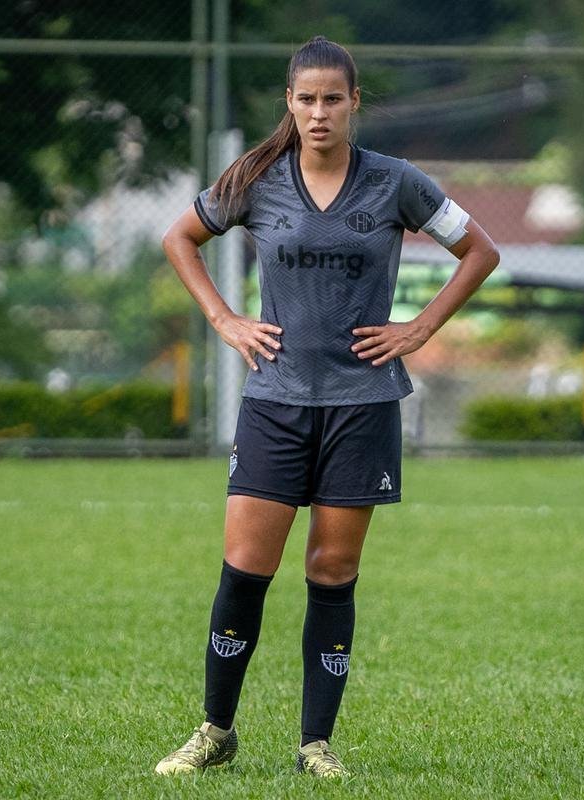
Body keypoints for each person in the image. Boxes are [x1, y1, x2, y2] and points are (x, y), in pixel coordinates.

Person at [155, 35, 499, 779]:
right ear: (290, 103)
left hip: (362, 406)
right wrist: (226, 321)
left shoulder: (396, 183)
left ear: (354, 104)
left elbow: (480, 251)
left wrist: (421, 326)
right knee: (245, 568)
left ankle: (316, 744)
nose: (318, 113)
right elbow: (181, 238)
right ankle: (215, 730)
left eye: (332, 99)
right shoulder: (255, 178)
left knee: (333, 571)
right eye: (306, 99)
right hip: (274, 403)